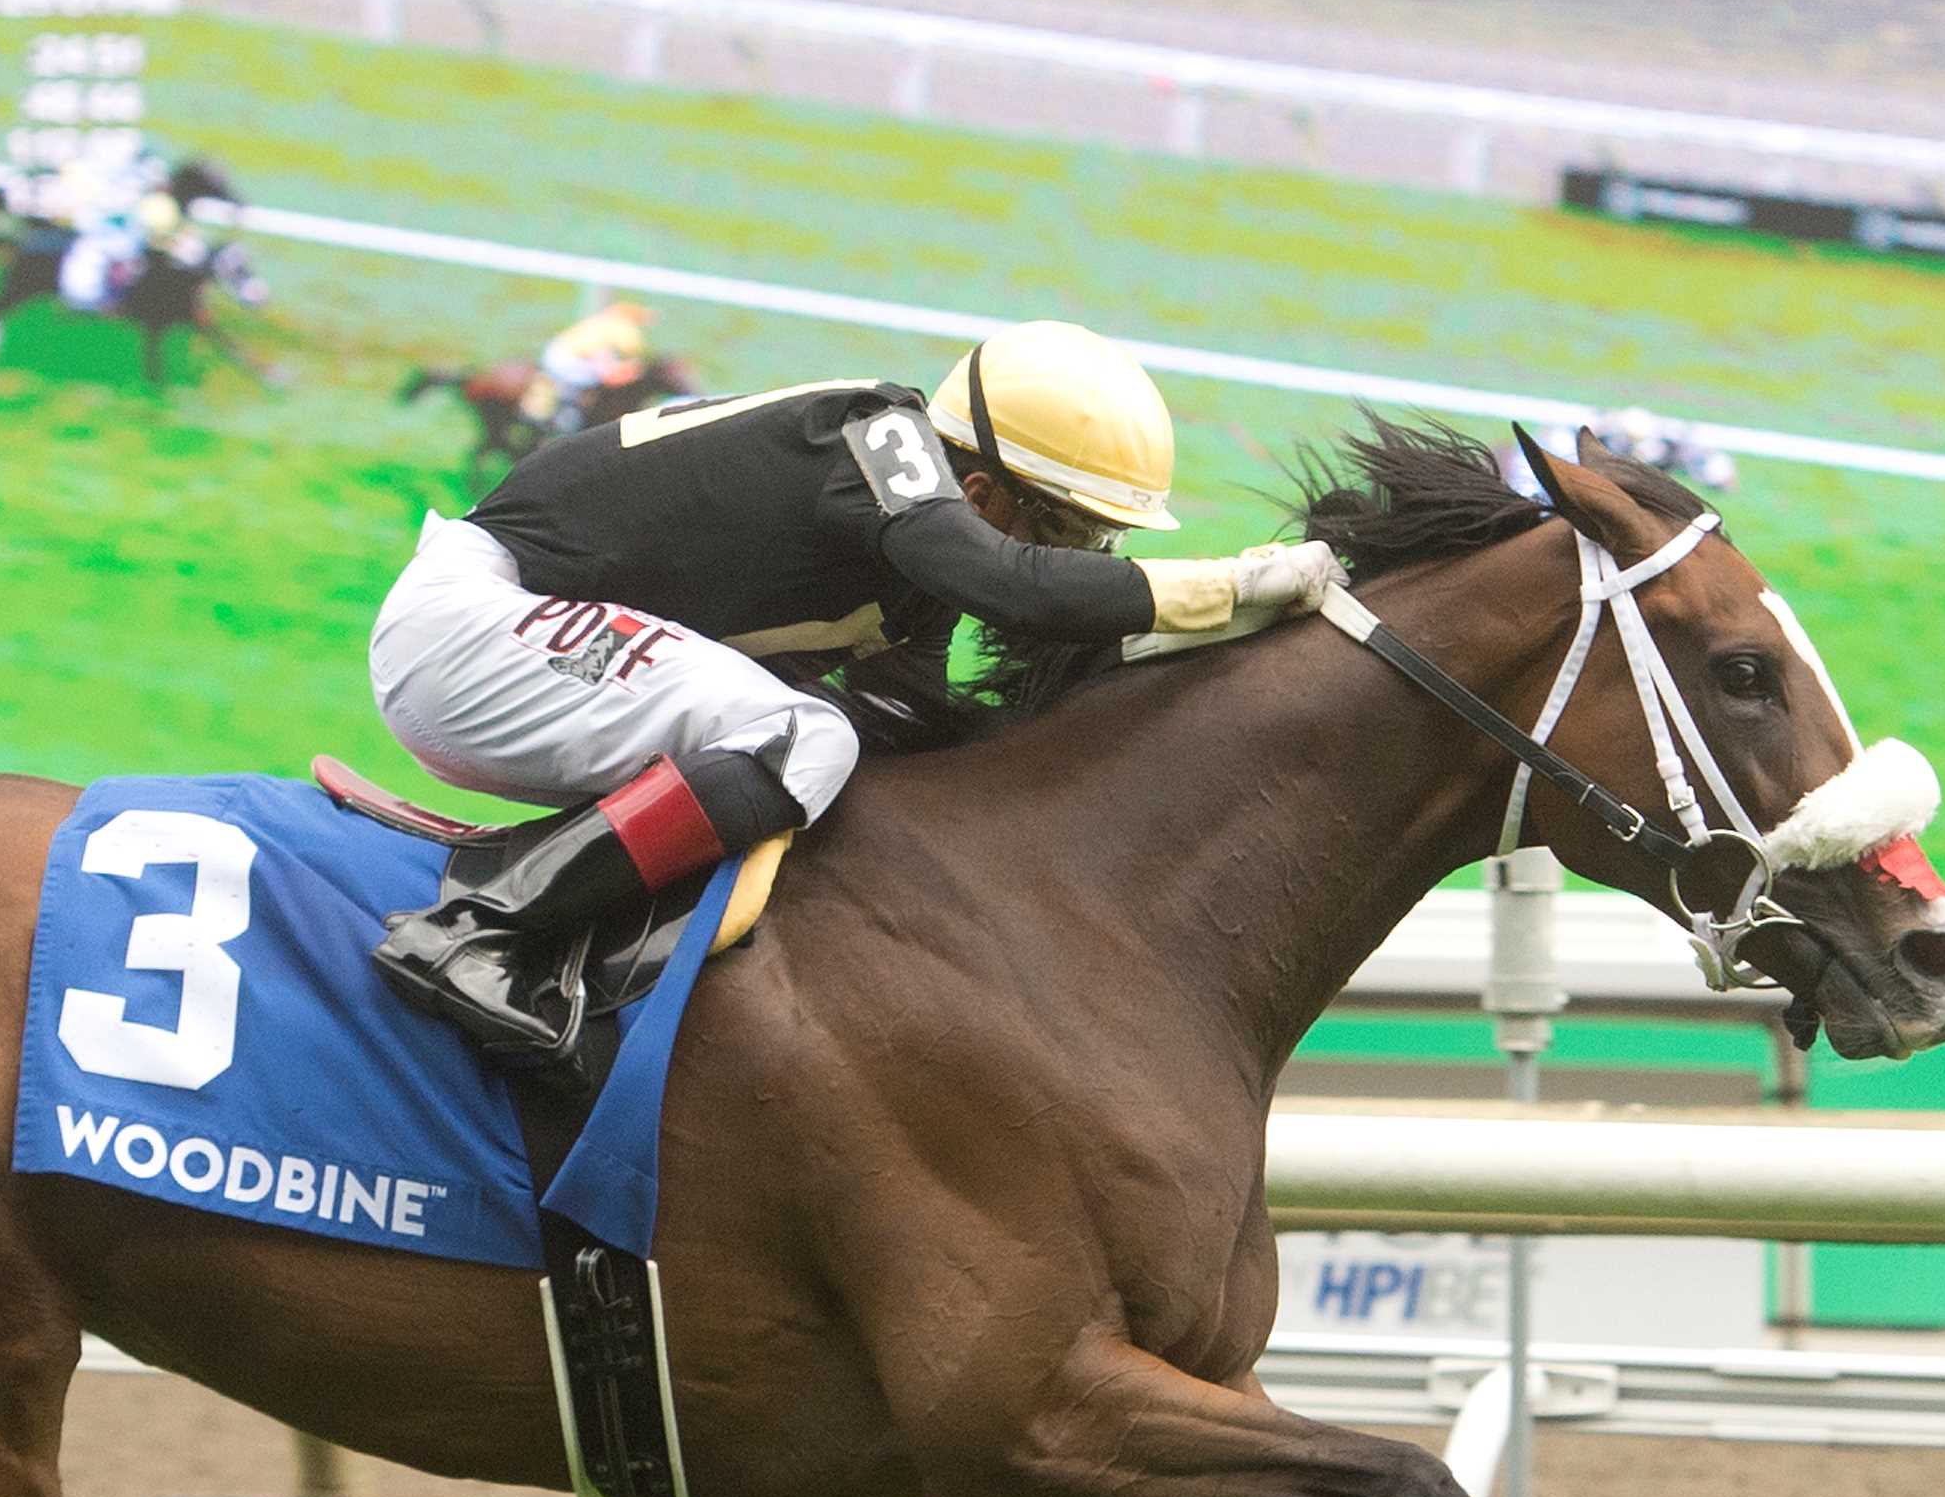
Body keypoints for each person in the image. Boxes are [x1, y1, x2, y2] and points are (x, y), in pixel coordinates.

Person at [367, 318, 1338, 1077]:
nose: (1081, 560)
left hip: (522, 652)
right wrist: (1235, 588)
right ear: (984, 492)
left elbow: (921, 729)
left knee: (835, 754)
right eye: (1072, 531)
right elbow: (1018, 588)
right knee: (801, 736)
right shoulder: (877, 437)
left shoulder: (906, 584)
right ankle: (477, 931)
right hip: (473, 621)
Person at [521, 297, 657, 436]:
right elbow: (615, 370)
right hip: (569, 364)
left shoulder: (603, 323)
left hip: (558, 357)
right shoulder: (615, 330)